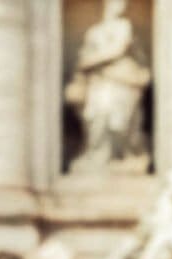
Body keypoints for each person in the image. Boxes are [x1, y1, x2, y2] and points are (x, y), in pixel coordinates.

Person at [64, 0, 152, 173]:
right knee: (99, 118)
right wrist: (98, 61)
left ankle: (124, 156)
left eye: (123, 4)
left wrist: (96, 62)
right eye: (116, 2)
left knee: (120, 122)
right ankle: (98, 155)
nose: (121, 6)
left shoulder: (126, 28)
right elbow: (83, 59)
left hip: (124, 81)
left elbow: (125, 54)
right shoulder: (94, 32)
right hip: (99, 84)